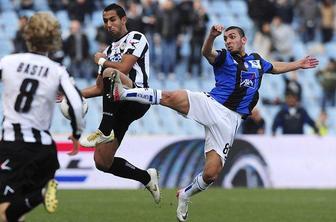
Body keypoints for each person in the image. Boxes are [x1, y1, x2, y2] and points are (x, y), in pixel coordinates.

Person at [106, 25, 319, 221]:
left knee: (211, 173)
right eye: (226, 38)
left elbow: (274, 67)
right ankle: (125, 93)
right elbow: (207, 53)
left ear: (244, 40)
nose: (228, 41)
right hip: (212, 104)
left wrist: (298, 65)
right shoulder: (224, 58)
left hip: (230, 122)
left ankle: (185, 195)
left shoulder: (256, 60)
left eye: (232, 37)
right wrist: (211, 37)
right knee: (172, 97)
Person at [0, 12, 85, 222]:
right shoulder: (57, 70)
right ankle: (39, 194)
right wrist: (76, 133)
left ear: (27, 35)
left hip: (13, 146)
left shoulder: (8, 62)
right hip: (45, 152)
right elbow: (76, 103)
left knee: (3, 213)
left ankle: (40, 195)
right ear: (54, 40)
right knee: (16, 214)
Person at [74, 3, 160, 204]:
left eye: (112, 19)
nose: (108, 24)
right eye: (105, 21)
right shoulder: (109, 49)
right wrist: (72, 94)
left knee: (110, 73)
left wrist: (102, 62)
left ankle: (104, 130)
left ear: (123, 20)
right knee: (102, 162)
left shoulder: (136, 37)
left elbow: (124, 67)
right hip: (119, 105)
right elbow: (98, 88)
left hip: (137, 96)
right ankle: (146, 177)